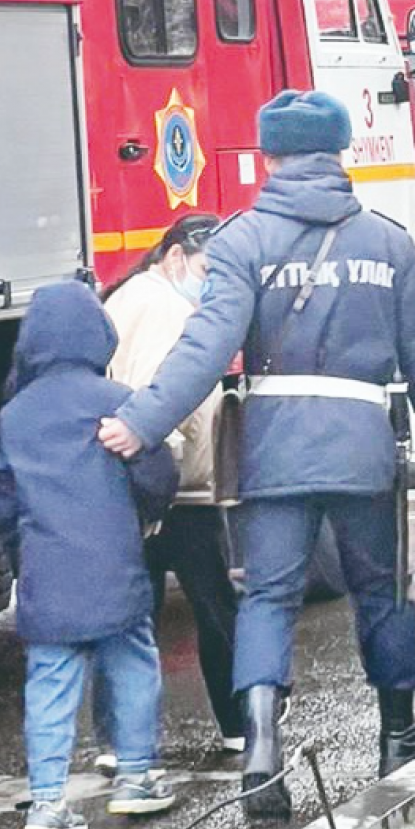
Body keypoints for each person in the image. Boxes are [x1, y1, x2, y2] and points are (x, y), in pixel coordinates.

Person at [97, 89, 415, 818]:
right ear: (340, 153)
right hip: (363, 448)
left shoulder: (241, 242)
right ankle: (398, 734)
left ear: (268, 158)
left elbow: (202, 350)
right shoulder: (387, 242)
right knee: (382, 590)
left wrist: (141, 420)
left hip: (273, 451)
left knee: (267, 597)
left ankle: (261, 757)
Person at [0, 282, 179, 829]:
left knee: (49, 681)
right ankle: (136, 778)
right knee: (134, 662)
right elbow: (155, 470)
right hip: (114, 563)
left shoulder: (14, 414)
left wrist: (19, 542)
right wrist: (150, 510)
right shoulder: (114, 400)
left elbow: (0, 495)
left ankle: (47, 803)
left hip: (47, 572)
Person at [96, 214, 244, 761]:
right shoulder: (168, 308)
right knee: (216, 609)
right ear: (176, 257)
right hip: (175, 489)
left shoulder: (129, 296)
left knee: (132, 615)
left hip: (132, 484)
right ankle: (238, 724)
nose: (211, 282)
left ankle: (119, 741)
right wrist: (162, 478)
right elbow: (159, 399)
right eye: (207, 269)